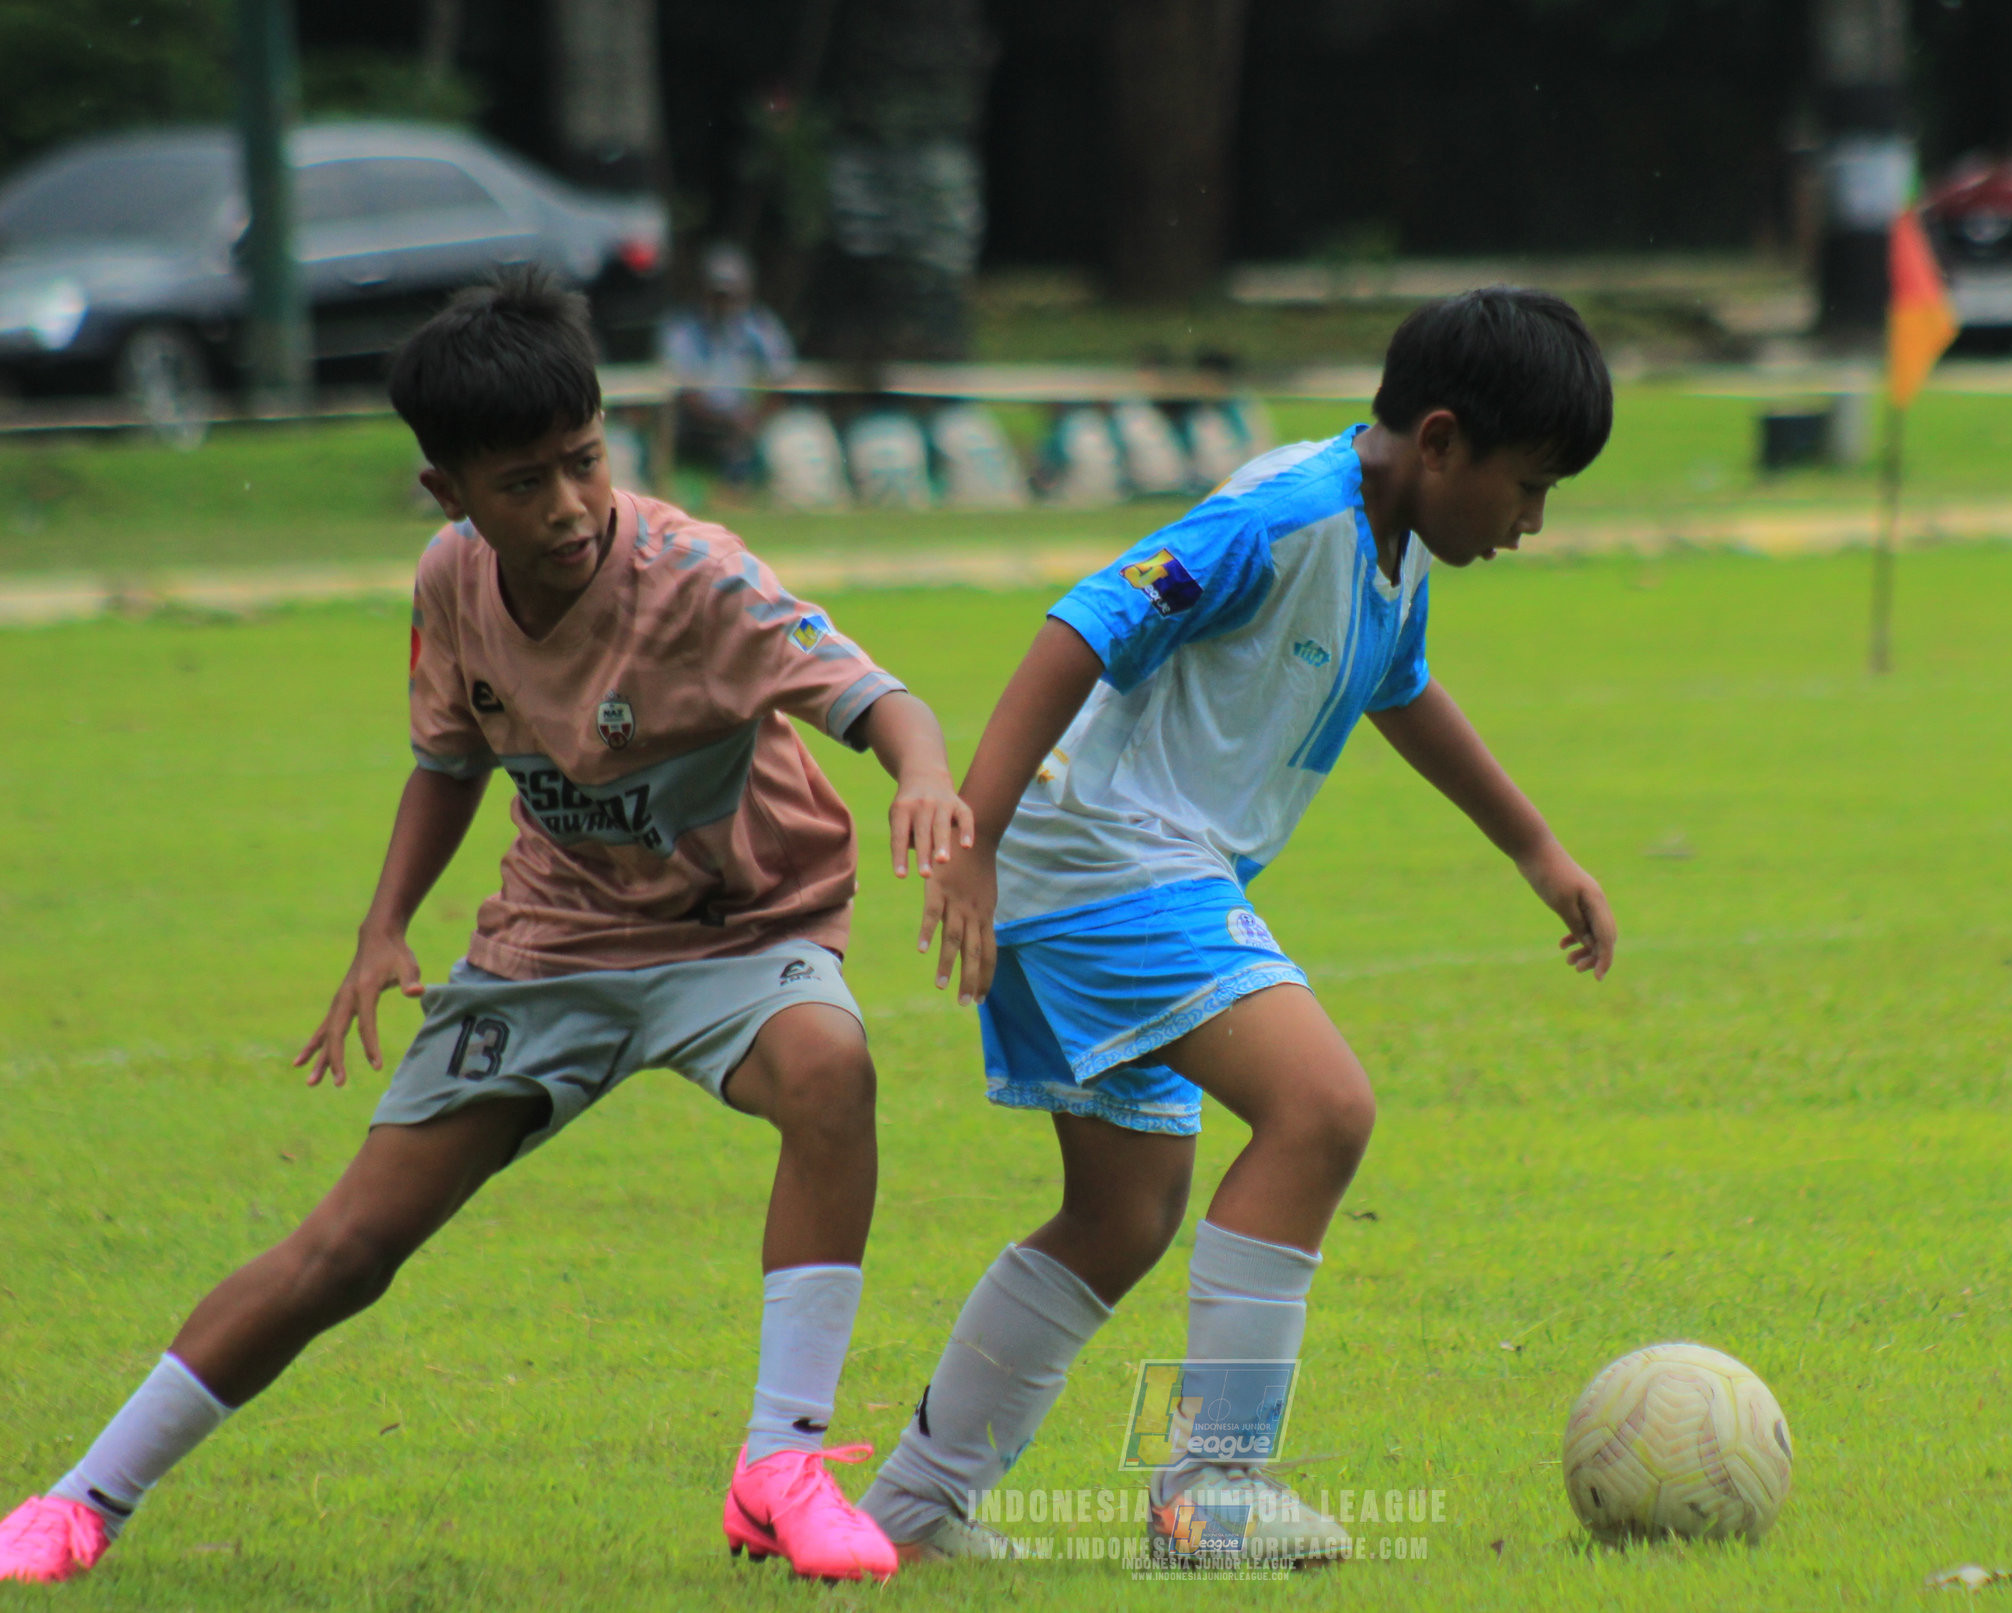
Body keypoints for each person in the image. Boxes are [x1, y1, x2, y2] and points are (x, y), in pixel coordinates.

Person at [0, 270, 971, 1586]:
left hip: (743, 928)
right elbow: (448, 759)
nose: (567, 505)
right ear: (448, 494)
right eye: (523, 482)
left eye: (583, 460)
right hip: (550, 948)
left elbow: (881, 700)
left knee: (829, 1068)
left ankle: (779, 1466)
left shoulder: (696, 578)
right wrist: (381, 928)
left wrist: (919, 776)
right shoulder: (450, 581)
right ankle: (77, 1501)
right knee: (349, 1248)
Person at [861, 286, 1619, 1565]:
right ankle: (1209, 1487)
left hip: (1114, 864)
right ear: (1440, 442)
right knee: (1322, 1106)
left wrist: (1536, 848)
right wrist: (971, 840)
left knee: (1122, 1214)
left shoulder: (1392, 541)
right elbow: (1083, 621)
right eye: (1530, 486)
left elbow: (1402, 685)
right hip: (1106, 851)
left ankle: (913, 1509)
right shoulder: (1285, 515)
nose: (1532, 522)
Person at [662, 243, 796, 486]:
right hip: (696, 425)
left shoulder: (761, 326)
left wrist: (754, 419)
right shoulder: (682, 329)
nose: (724, 301)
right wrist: (725, 421)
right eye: (717, 293)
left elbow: (781, 380)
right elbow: (683, 390)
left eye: (732, 293)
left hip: (753, 423)